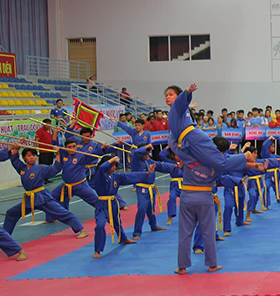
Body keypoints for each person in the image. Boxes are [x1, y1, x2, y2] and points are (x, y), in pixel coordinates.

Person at [165, 83, 256, 275]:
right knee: (208, 231)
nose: (167, 97)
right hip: (204, 197)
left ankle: (182, 267)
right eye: (166, 95)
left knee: (184, 234)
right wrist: (187, 93)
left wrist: (187, 99)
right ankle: (212, 264)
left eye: (171, 94)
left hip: (187, 195)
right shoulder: (210, 165)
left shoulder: (188, 159)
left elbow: (172, 145)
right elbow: (223, 167)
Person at [2, 142, 87, 239]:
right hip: (30, 199)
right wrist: (17, 147)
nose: (32, 157)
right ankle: (5, 238)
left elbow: (55, 169)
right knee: (11, 213)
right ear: (24, 158)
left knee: (61, 213)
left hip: (42, 197)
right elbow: (14, 159)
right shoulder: (22, 169)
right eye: (29, 156)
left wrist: (58, 154)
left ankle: (81, 229)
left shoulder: (41, 168)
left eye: (33, 155)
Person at [93, 154, 157, 258]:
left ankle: (123, 238)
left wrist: (146, 173)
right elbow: (101, 168)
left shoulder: (115, 177)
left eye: (114, 165)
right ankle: (97, 250)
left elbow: (130, 176)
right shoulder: (100, 175)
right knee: (100, 225)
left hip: (113, 202)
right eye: (112, 165)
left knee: (117, 222)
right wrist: (112, 159)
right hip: (102, 204)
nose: (114, 167)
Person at [45, 140, 100, 223]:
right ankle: (51, 218)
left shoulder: (81, 156)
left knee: (95, 200)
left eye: (74, 146)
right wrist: (56, 132)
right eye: (69, 147)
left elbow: (93, 155)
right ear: (65, 148)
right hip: (66, 186)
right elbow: (54, 145)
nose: (72, 149)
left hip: (80, 185)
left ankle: (106, 212)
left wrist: (103, 148)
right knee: (51, 197)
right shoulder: (63, 153)